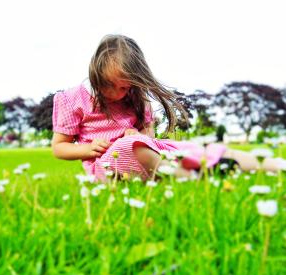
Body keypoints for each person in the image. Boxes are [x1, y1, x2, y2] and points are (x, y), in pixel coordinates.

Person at [51, 34, 284, 182]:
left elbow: (148, 135)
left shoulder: (135, 96)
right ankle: (195, 179)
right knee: (126, 145)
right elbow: (60, 148)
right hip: (107, 167)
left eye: (125, 87)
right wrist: (88, 149)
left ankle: (275, 166)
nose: (118, 93)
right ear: (96, 73)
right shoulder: (72, 99)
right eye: (111, 85)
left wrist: (140, 134)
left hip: (145, 150)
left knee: (197, 148)